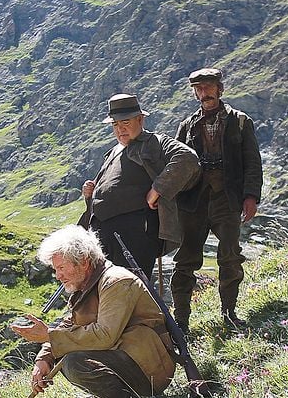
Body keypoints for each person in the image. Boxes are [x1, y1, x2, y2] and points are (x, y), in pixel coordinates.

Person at [11, 225, 176, 398]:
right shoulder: (86, 286)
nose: (58, 276)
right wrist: (44, 359)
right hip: (129, 357)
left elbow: (105, 335)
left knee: (74, 362)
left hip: (150, 365)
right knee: (67, 355)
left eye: (61, 268)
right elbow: (69, 326)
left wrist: (50, 336)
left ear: (84, 261)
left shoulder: (116, 281)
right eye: (55, 270)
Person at [171, 68, 263, 333]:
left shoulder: (240, 122)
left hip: (227, 199)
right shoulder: (187, 126)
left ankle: (229, 313)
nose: (204, 94)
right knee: (185, 261)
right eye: (199, 90)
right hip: (193, 203)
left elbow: (252, 162)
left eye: (208, 88)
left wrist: (251, 196)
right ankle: (181, 322)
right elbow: (176, 165)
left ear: (220, 89)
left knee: (230, 256)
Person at [82, 93, 200, 279]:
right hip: (101, 231)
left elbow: (187, 158)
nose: (120, 129)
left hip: (135, 229)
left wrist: (158, 189)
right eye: (115, 124)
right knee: (100, 287)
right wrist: (91, 194)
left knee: (130, 285)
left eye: (125, 122)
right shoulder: (113, 151)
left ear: (140, 119)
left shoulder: (156, 142)